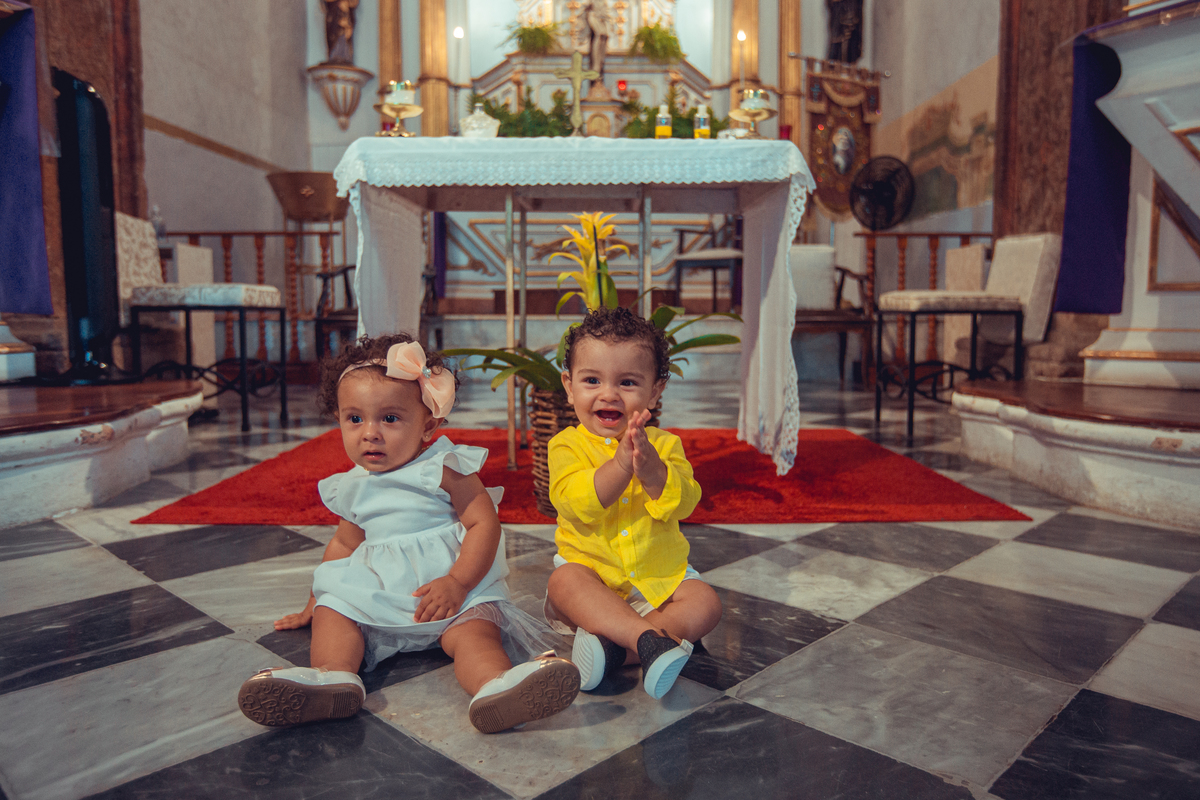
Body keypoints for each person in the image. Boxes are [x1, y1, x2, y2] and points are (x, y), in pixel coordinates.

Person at [237, 334, 580, 733]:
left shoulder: (445, 467)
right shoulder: (353, 484)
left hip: (453, 592)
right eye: (355, 419)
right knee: (336, 611)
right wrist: (315, 600)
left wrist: (458, 581)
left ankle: (496, 687)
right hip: (380, 594)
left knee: (475, 635)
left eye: (390, 418)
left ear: (428, 425)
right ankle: (331, 678)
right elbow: (346, 543)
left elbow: (483, 523)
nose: (370, 433)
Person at [544, 307, 723, 699]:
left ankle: (616, 652)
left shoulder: (664, 445)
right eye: (592, 380)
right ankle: (648, 640)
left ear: (655, 391)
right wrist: (621, 465)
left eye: (627, 382)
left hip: (656, 584)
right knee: (563, 582)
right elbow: (577, 503)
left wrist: (652, 470)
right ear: (569, 386)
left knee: (706, 603)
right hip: (593, 581)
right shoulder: (565, 445)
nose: (608, 394)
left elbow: (685, 503)